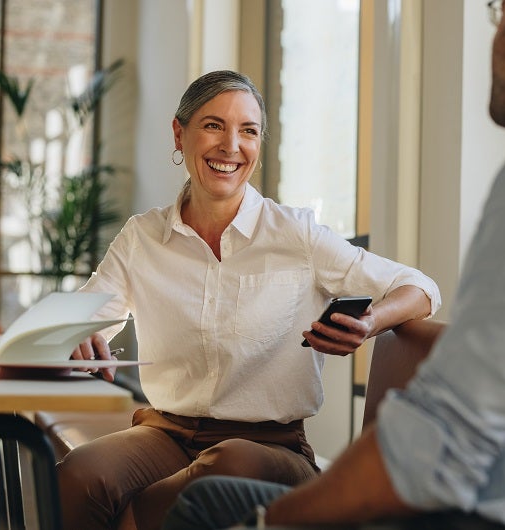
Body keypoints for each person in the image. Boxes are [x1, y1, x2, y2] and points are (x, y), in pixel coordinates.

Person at [162, 1, 505, 529]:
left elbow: (440, 446)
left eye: (495, 11)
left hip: (497, 516)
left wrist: (273, 523)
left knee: (213, 511)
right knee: (214, 497)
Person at [56, 69, 441, 530]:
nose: (231, 146)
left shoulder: (296, 233)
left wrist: (371, 320)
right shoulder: (143, 237)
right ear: (180, 134)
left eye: (248, 131)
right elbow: (84, 318)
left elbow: (419, 287)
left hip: (270, 448)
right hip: (167, 432)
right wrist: (82, 335)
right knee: (81, 475)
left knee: (225, 467)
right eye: (214, 125)